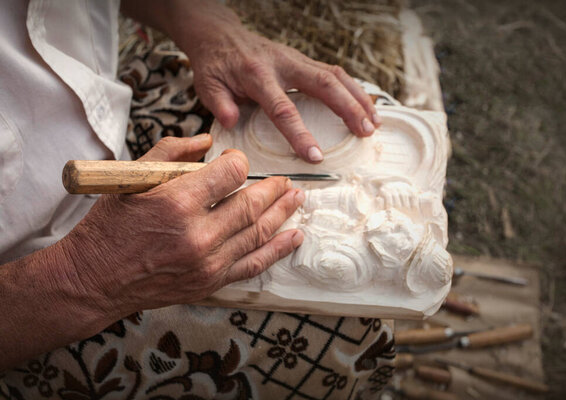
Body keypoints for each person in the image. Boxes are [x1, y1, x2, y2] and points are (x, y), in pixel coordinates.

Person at [0, 1, 390, 398]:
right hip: (29, 299)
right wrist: (83, 276)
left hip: (111, 110)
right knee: (350, 330)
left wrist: (206, 24)